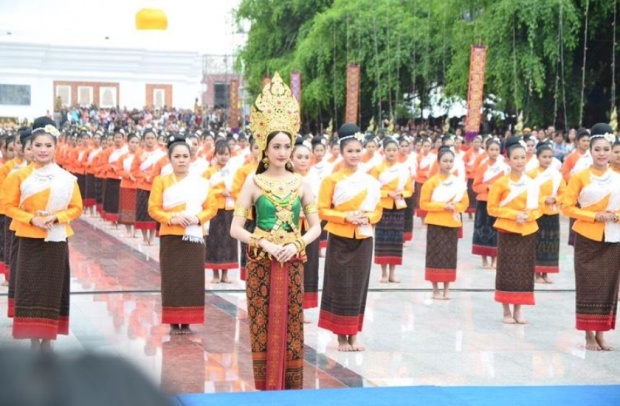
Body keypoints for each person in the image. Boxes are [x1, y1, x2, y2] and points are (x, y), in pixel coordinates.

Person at [230, 73, 320, 390]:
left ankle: (291, 388)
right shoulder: (253, 182)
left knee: (292, 324)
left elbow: (316, 226)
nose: (282, 152)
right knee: (262, 322)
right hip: (261, 262)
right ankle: (265, 387)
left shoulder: (301, 183)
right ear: (265, 150)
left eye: (287, 146)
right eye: (276, 146)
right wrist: (264, 243)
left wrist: (297, 243)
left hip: (292, 261)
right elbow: (235, 228)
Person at [3, 117, 83, 350]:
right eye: (38, 145)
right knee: (29, 288)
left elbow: (76, 207)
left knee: (52, 287)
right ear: (30, 148)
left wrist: (55, 217)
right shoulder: (18, 176)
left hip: (56, 240)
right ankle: (32, 337)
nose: (43, 150)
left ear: (55, 147)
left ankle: (48, 337)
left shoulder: (66, 178)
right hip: (28, 239)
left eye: (48, 145)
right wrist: (33, 218)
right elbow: (8, 205)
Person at [318, 123, 383, 352]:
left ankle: (354, 333)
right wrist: (346, 217)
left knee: (359, 285)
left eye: (358, 151)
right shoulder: (332, 180)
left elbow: (378, 208)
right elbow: (322, 210)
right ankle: (340, 337)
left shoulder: (370, 179)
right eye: (350, 151)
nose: (354, 155)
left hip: (364, 238)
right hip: (340, 237)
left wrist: (368, 218)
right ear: (341, 152)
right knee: (341, 285)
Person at [148, 136, 217, 335]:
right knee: (172, 278)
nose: (181, 160)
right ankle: (172, 320)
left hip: (194, 237)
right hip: (171, 236)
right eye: (177, 156)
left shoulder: (202, 182)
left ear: (190, 158)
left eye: (185, 156)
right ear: (169, 158)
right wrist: (172, 219)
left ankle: (187, 321)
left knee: (192, 278)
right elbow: (153, 209)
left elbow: (211, 208)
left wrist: (196, 217)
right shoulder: (161, 181)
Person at [562, 123, 620, 351]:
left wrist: (614, 216)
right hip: (587, 238)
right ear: (590, 151)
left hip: (613, 238)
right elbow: (566, 207)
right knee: (588, 286)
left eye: (606, 149)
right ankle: (588, 335)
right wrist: (594, 215)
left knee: (608, 287)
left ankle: (601, 334)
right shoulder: (580, 176)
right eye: (597, 149)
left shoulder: (617, 177)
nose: (602, 153)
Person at [487, 136, 543, 324]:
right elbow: (492, 208)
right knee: (506, 270)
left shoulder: (532, 182)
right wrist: (514, 214)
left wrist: (529, 215)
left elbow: (539, 207)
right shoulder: (500, 183)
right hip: (507, 231)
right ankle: (506, 310)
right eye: (516, 158)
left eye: (522, 157)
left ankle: (519, 309)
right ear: (508, 160)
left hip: (527, 231)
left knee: (524, 270)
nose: (520, 161)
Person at [420, 146, 469, 300]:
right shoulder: (431, 183)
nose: (448, 164)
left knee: (449, 256)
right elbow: (424, 204)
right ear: (438, 162)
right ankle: (435, 290)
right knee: (435, 255)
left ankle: (447, 289)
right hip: (435, 223)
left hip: (452, 223)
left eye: (451, 161)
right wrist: (442, 206)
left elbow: (465, 203)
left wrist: (455, 207)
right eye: (445, 161)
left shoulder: (458, 182)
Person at [369, 137, 413, 283]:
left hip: (398, 207)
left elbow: (409, 189)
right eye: (389, 150)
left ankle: (393, 273)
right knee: (383, 240)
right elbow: (373, 189)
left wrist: (401, 194)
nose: (392, 152)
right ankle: (382, 273)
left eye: (394, 150)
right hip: (383, 207)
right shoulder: (378, 169)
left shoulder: (403, 169)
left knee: (395, 241)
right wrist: (387, 193)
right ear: (384, 151)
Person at [528, 141, 566, 284]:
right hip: (537, 213)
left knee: (551, 243)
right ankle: (537, 273)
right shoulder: (531, 174)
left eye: (550, 157)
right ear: (538, 158)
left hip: (553, 213)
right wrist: (544, 199)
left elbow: (564, 193)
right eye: (544, 157)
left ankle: (546, 273)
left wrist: (556, 199)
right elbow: (528, 193)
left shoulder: (556, 175)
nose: (547, 160)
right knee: (538, 242)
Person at [203, 140, 238, 283]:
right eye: (221, 154)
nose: (224, 157)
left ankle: (226, 274)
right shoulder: (209, 172)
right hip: (214, 210)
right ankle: (215, 274)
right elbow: (204, 189)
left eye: (226, 154)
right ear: (215, 155)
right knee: (214, 240)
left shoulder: (234, 171)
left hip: (230, 209)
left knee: (228, 241)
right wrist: (219, 192)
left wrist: (232, 192)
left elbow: (238, 188)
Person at [472, 138, 509, 269]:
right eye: (491, 149)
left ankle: (495, 260)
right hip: (483, 202)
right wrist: (488, 187)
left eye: (496, 150)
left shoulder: (504, 167)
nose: (494, 152)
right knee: (483, 231)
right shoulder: (482, 166)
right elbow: (475, 186)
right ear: (486, 151)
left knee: (496, 231)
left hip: (497, 203)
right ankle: (484, 260)